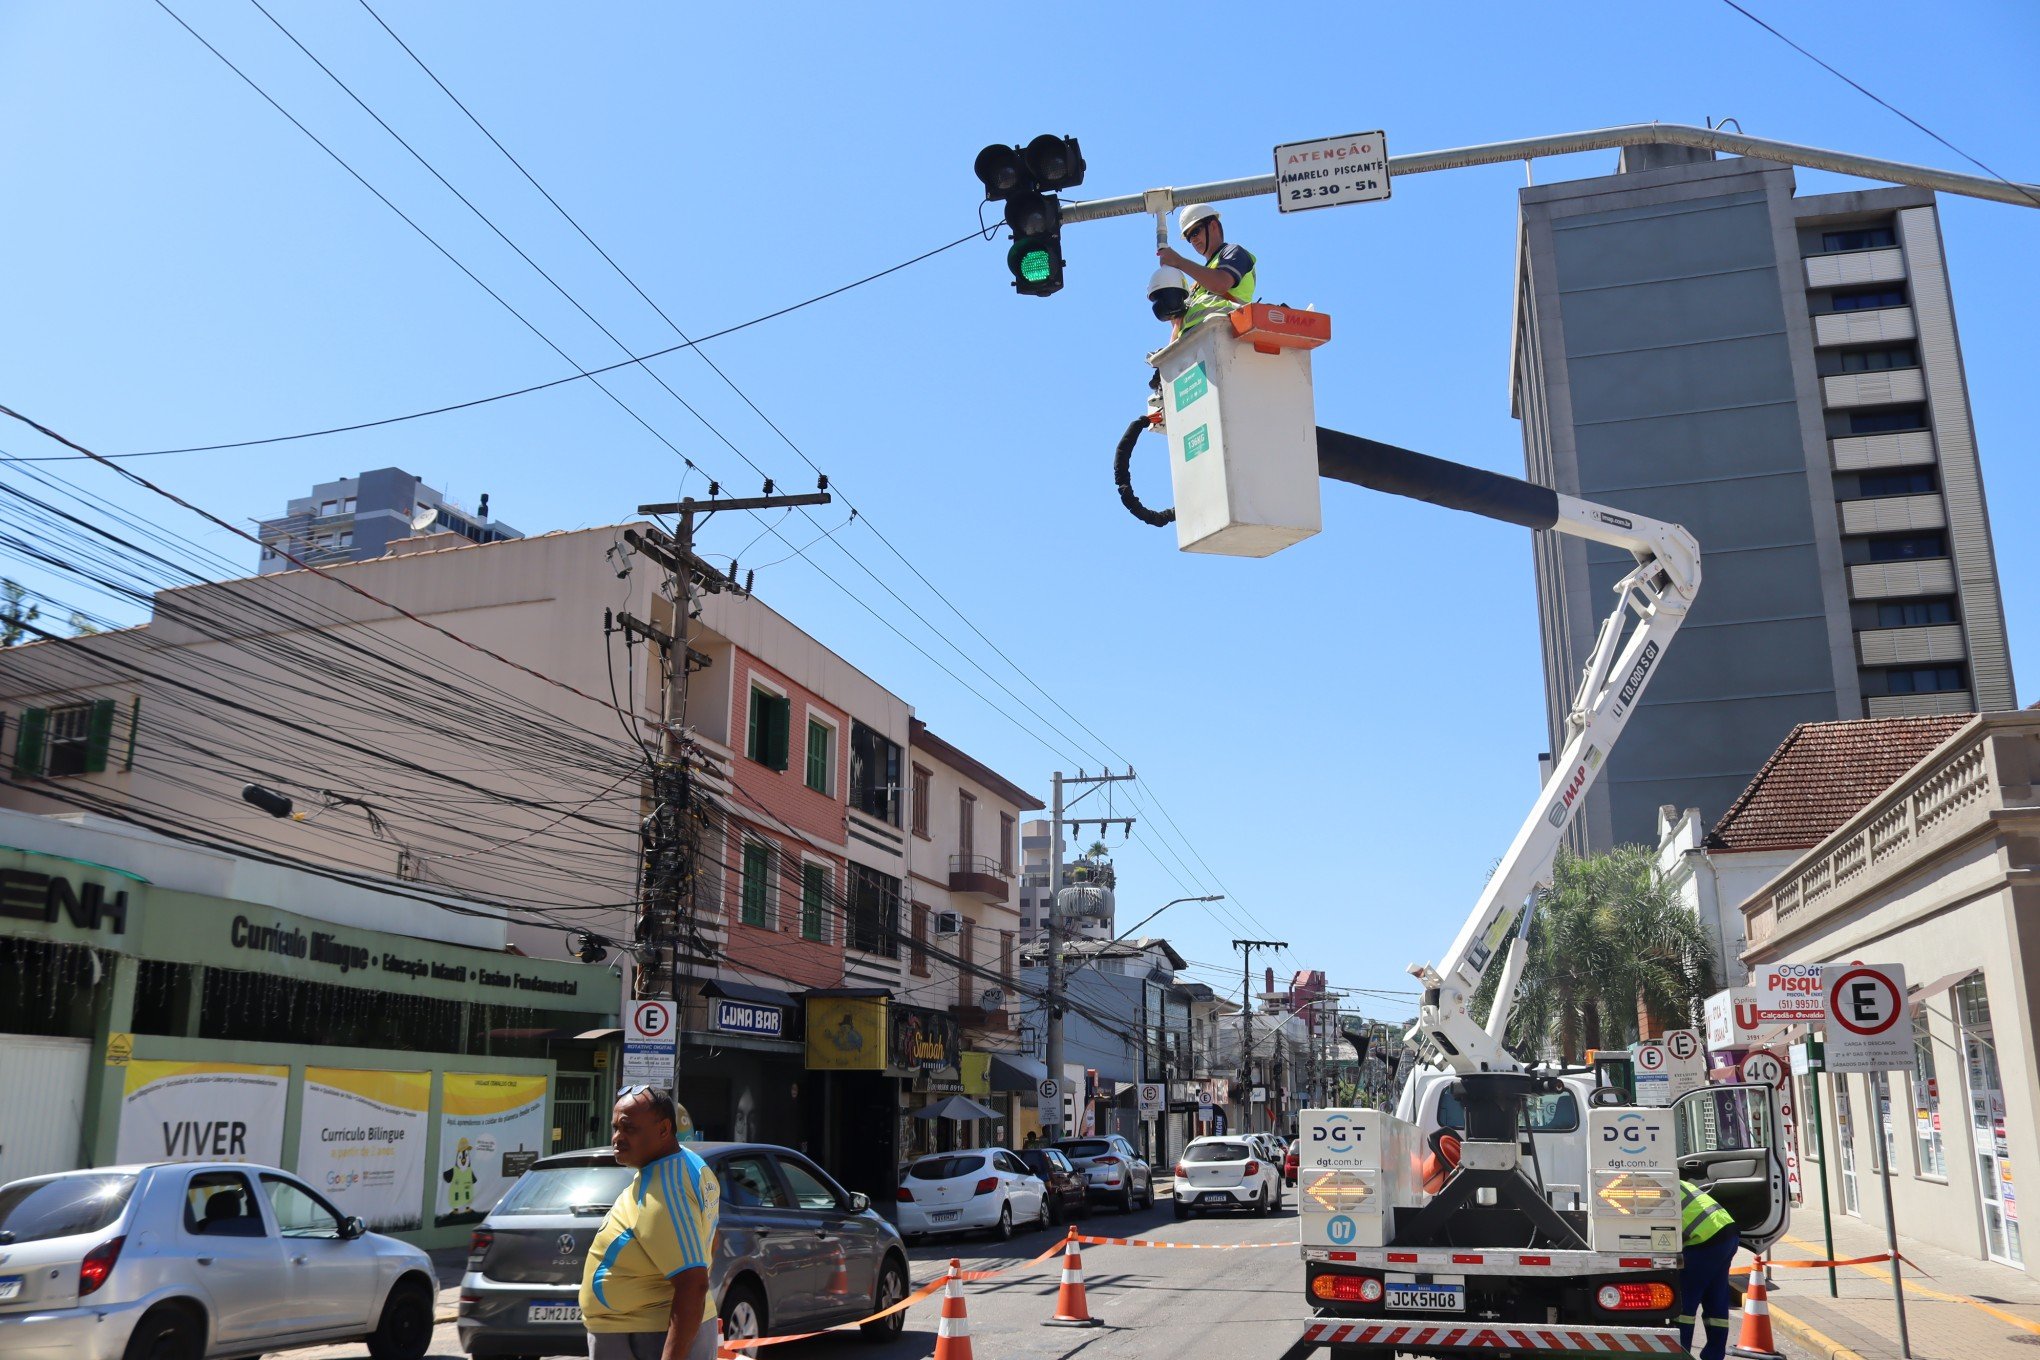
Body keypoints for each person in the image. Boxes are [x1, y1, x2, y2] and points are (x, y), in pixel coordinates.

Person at [581, 1086, 722, 1360]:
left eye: (629, 1129)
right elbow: (713, 1239)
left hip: (647, 1335)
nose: (617, 1138)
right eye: (615, 1128)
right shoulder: (688, 1163)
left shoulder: (667, 1190)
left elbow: (693, 1285)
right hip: (643, 1329)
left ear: (663, 1129)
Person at [1156, 203, 1256, 340]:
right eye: (1189, 236)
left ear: (1213, 226)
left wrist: (1179, 261)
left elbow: (1220, 284)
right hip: (1195, 345)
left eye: (1196, 231)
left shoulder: (1233, 252)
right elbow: (1178, 323)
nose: (1193, 239)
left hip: (1225, 335)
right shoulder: (1198, 283)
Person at [1677, 1179, 1741, 1360]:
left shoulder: (1658, 1186)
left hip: (1704, 1240)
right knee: (1716, 1297)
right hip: (1728, 1231)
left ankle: (1682, 1353)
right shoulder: (1676, 1181)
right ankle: (1714, 1354)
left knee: (1685, 1302)